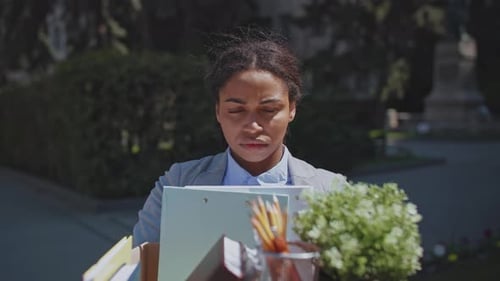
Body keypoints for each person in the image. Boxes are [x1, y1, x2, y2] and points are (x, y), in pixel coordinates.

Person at [132, 30, 347, 246]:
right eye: (236, 110)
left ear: (291, 109)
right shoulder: (177, 184)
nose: (252, 126)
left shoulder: (331, 190)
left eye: (269, 110)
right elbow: (140, 265)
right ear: (218, 111)